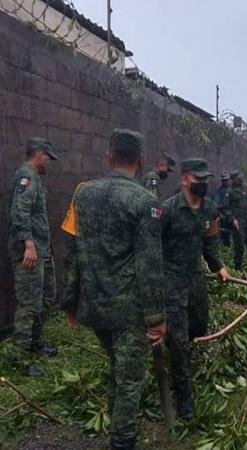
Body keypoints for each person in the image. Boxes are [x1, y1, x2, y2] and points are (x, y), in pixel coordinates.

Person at [62, 129, 166, 450]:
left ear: (109, 156)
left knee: (117, 370)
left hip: (94, 307)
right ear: (140, 160)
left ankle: (115, 432)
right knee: (130, 382)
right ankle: (122, 443)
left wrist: (70, 301)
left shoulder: (83, 194)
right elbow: (149, 265)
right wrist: (156, 318)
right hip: (129, 313)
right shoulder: (145, 202)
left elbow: (72, 250)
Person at [160, 158, 229, 420]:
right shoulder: (168, 210)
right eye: (198, 179)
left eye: (206, 179)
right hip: (172, 281)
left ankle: (181, 352)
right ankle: (183, 394)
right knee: (178, 340)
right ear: (185, 178)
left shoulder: (209, 208)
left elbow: (210, 241)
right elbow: (152, 245)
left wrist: (218, 266)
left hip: (196, 279)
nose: (204, 183)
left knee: (199, 325)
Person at [7, 137, 60, 376]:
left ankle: (36, 343)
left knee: (46, 298)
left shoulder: (36, 179)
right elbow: (20, 211)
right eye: (48, 156)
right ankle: (20, 359)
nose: (48, 161)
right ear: (39, 154)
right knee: (28, 306)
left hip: (42, 251)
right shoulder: (25, 177)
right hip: (29, 252)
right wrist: (28, 243)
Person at [221, 170, 247, 269]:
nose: (241, 179)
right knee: (239, 245)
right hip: (238, 222)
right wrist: (232, 219)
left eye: (241, 177)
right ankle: (238, 266)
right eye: (238, 178)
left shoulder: (245, 188)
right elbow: (225, 208)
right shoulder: (229, 192)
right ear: (233, 180)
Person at [215, 171, 232, 246]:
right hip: (224, 216)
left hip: (233, 216)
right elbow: (216, 204)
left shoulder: (233, 190)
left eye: (226, 180)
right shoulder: (219, 191)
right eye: (223, 180)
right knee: (224, 235)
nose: (225, 182)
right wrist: (220, 214)